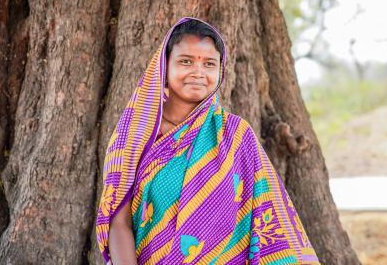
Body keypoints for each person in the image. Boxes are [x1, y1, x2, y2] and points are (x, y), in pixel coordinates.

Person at [95, 17, 320, 265]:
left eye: (209, 64)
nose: (198, 72)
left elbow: (269, 216)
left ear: (219, 71)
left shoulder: (235, 135)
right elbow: (118, 223)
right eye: (186, 61)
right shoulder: (134, 136)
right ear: (164, 68)